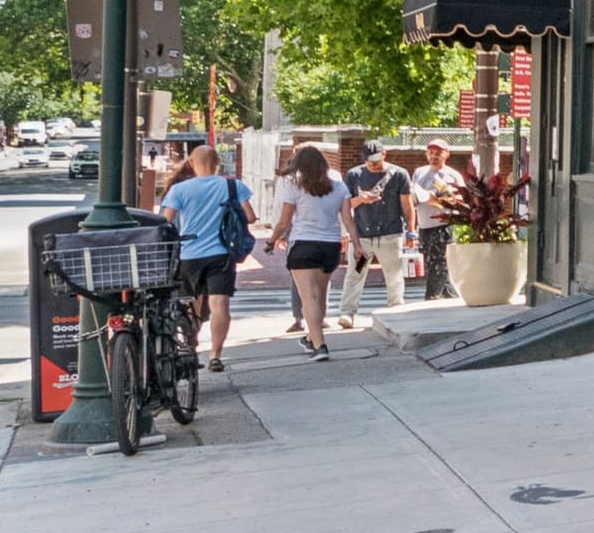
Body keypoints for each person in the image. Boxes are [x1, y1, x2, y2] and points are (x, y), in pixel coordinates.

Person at [154, 144, 253, 373]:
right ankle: (216, 355)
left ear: (191, 163)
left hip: (190, 254)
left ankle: (191, 347)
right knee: (220, 305)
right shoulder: (233, 185)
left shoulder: (179, 190)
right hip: (221, 253)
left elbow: (166, 222)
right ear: (218, 162)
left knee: (191, 306)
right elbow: (250, 216)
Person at [265, 142, 353, 360]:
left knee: (308, 298)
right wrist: (357, 244)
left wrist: (271, 241)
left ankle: (320, 345)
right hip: (330, 245)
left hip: (303, 243)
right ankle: (312, 337)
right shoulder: (339, 186)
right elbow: (348, 219)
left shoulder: (294, 186)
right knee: (319, 295)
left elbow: (284, 222)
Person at [336, 142, 411, 328]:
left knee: (393, 273)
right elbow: (345, 206)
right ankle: (348, 312)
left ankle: (396, 308)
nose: (373, 165)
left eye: (376, 160)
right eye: (369, 161)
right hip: (362, 238)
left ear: (384, 154)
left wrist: (411, 230)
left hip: (390, 235)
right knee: (356, 272)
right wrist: (361, 199)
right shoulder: (354, 175)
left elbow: (406, 205)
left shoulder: (399, 174)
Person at [409, 139, 455, 300]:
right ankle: (450, 296)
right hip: (424, 225)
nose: (434, 156)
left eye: (438, 153)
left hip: (442, 225)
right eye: (431, 153)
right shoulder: (419, 172)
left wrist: (439, 200)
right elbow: (413, 196)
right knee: (433, 264)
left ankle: (432, 297)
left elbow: (461, 200)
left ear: (446, 154)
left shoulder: (451, 175)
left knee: (437, 265)